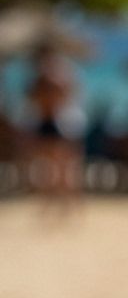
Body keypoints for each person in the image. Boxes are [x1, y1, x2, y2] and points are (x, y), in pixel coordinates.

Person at [24, 43, 85, 216]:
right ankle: (56, 206)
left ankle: (67, 206)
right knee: (51, 169)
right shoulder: (44, 78)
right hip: (49, 124)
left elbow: (65, 99)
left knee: (63, 169)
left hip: (60, 124)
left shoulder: (58, 76)